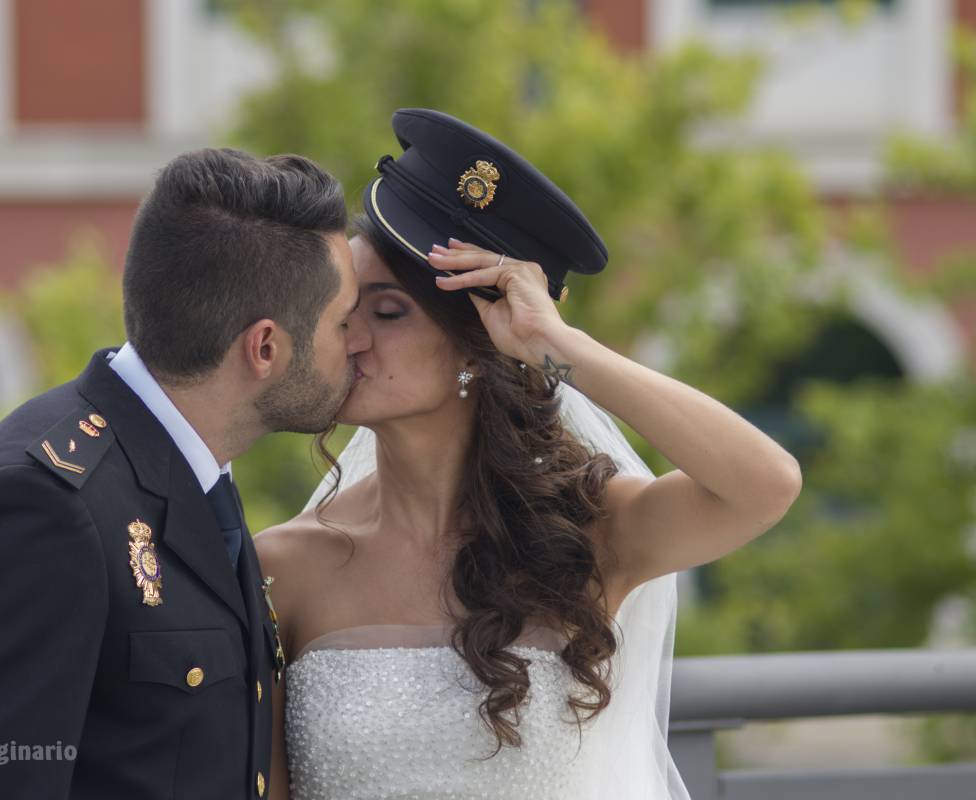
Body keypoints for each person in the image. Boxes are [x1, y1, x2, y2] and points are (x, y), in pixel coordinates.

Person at [254, 108, 803, 799]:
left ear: (479, 347)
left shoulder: (589, 534)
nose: (349, 339)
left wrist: (559, 348)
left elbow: (765, 484)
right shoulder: (283, 566)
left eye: (388, 313)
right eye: (344, 310)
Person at [0, 147, 365, 798]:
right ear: (265, 347)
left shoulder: (191, 468)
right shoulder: (39, 506)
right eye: (343, 322)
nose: (357, 344)